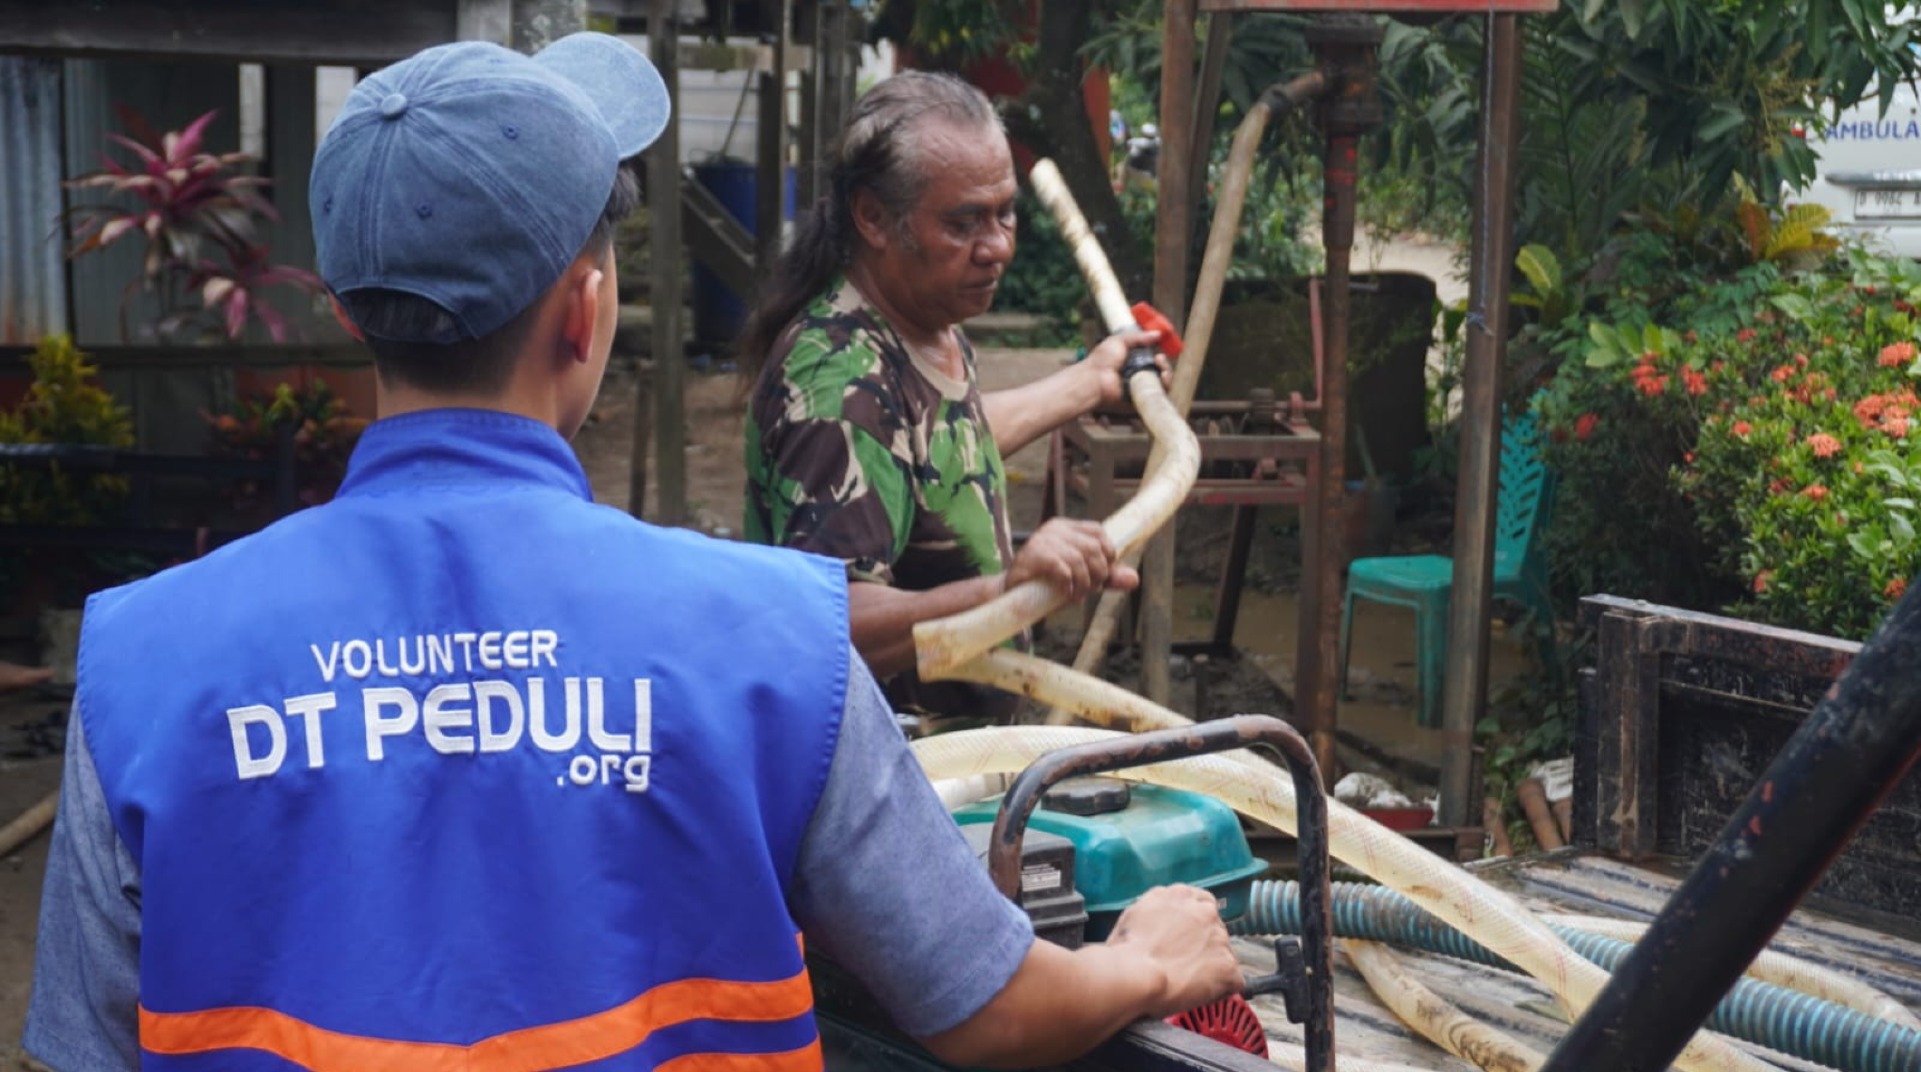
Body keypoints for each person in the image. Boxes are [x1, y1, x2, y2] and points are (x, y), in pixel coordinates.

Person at [22, 34, 1242, 1072]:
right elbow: (989, 1008)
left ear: (348, 310)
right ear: (587, 309)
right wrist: (1141, 959)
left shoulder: (144, 659)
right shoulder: (772, 642)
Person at [741, 71, 1166, 724]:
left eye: (1004, 211)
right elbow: (831, 625)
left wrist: (1089, 382)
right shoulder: (837, 386)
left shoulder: (922, 320)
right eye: (963, 222)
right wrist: (1007, 589)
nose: (995, 246)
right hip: (894, 782)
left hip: (967, 765)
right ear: (873, 217)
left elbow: (925, 446)